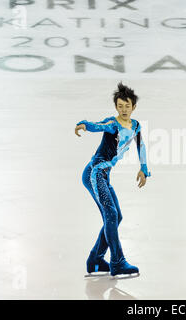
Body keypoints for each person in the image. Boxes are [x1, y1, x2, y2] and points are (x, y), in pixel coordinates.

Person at [75, 81, 151, 277]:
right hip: (94, 173)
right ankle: (117, 262)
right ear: (116, 107)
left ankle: (95, 260)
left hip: (104, 176)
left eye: (127, 106)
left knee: (117, 216)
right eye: (120, 106)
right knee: (111, 215)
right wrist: (85, 124)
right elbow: (98, 126)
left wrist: (143, 169)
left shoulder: (135, 126)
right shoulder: (112, 124)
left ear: (133, 107)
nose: (124, 109)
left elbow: (140, 145)